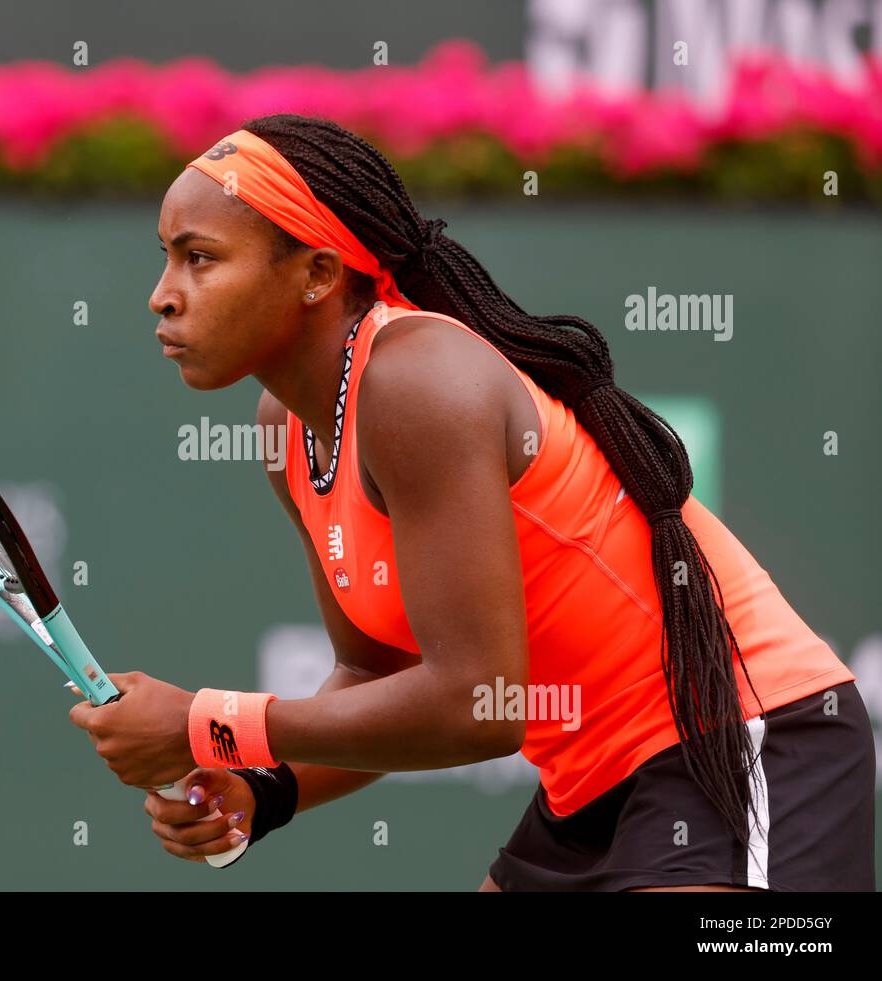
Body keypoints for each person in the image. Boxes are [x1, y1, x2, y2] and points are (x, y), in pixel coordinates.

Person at [67, 114, 874, 891]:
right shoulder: (288, 429)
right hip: (588, 788)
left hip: (745, 745)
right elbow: (374, 673)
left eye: (199, 258)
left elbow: (475, 704)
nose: (162, 296)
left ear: (316, 273)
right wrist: (266, 789)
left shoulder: (416, 382)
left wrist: (210, 723)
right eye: (167, 258)